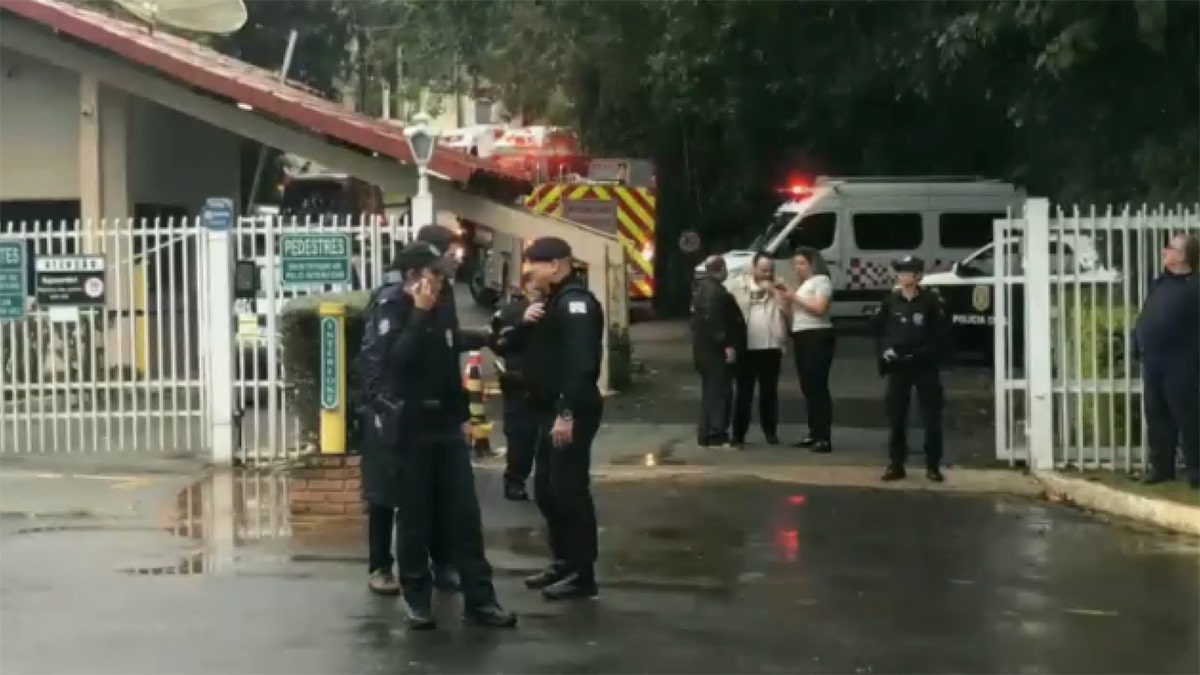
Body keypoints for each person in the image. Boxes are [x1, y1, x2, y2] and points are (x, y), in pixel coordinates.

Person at [370, 241, 516, 629]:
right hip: (410, 429)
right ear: (413, 277)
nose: (440, 282)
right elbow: (398, 362)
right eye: (434, 275)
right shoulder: (392, 309)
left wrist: (464, 417)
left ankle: (481, 600)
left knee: (464, 517)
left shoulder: (443, 310)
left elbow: (448, 368)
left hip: (445, 429)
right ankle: (417, 599)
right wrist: (418, 315)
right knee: (415, 518)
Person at [518, 236, 605, 600]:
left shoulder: (576, 305)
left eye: (533, 264)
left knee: (569, 491)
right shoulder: (553, 301)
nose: (528, 271)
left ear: (555, 265)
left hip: (570, 411)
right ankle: (564, 560)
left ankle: (582, 572)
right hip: (548, 410)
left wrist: (566, 412)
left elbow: (580, 365)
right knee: (548, 489)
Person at [871, 255, 952, 482]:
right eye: (901, 272)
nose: (903, 276)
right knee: (896, 416)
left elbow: (941, 333)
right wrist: (884, 350)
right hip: (898, 366)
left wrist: (926, 351)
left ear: (918, 276)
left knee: (931, 417)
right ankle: (896, 464)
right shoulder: (890, 301)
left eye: (908, 272)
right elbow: (877, 329)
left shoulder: (931, 302)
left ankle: (933, 466)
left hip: (924, 365)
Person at [1134, 233, 1199, 489]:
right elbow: (1147, 315)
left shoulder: (1194, 287)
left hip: (1181, 361)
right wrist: (1137, 342)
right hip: (1154, 360)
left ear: (1183, 256)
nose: (1164, 251)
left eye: (1170, 248)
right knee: (1156, 414)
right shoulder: (1160, 283)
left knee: (1187, 416)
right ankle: (1162, 468)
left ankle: (1196, 471)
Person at [726, 253, 789, 445]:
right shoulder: (739, 286)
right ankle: (738, 433)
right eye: (763, 270)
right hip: (747, 347)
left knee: (769, 393)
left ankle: (770, 431)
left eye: (770, 270)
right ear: (753, 268)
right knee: (744, 393)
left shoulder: (780, 286)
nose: (767, 274)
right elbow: (732, 313)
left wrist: (776, 293)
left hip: (771, 346)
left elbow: (788, 312)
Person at [488, 273, 541, 501]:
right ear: (525, 287)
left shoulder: (557, 308)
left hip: (548, 383)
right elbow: (498, 342)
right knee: (520, 437)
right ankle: (515, 480)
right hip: (519, 384)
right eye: (533, 285)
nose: (537, 289)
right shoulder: (510, 312)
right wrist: (522, 323)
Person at [690, 255, 746, 447]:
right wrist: (727, 345)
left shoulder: (702, 289)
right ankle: (716, 433)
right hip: (715, 352)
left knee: (710, 392)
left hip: (704, 350)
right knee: (720, 393)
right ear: (721, 269)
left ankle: (706, 433)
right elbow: (716, 322)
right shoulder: (716, 292)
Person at [786, 247, 836, 453]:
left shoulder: (821, 281)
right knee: (807, 386)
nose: (797, 268)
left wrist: (793, 297)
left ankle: (823, 436)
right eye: (795, 264)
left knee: (817, 386)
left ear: (812, 263)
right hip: (801, 335)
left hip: (817, 336)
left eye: (801, 263)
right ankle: (814, 432)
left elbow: (819, 308)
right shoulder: (803, 285)